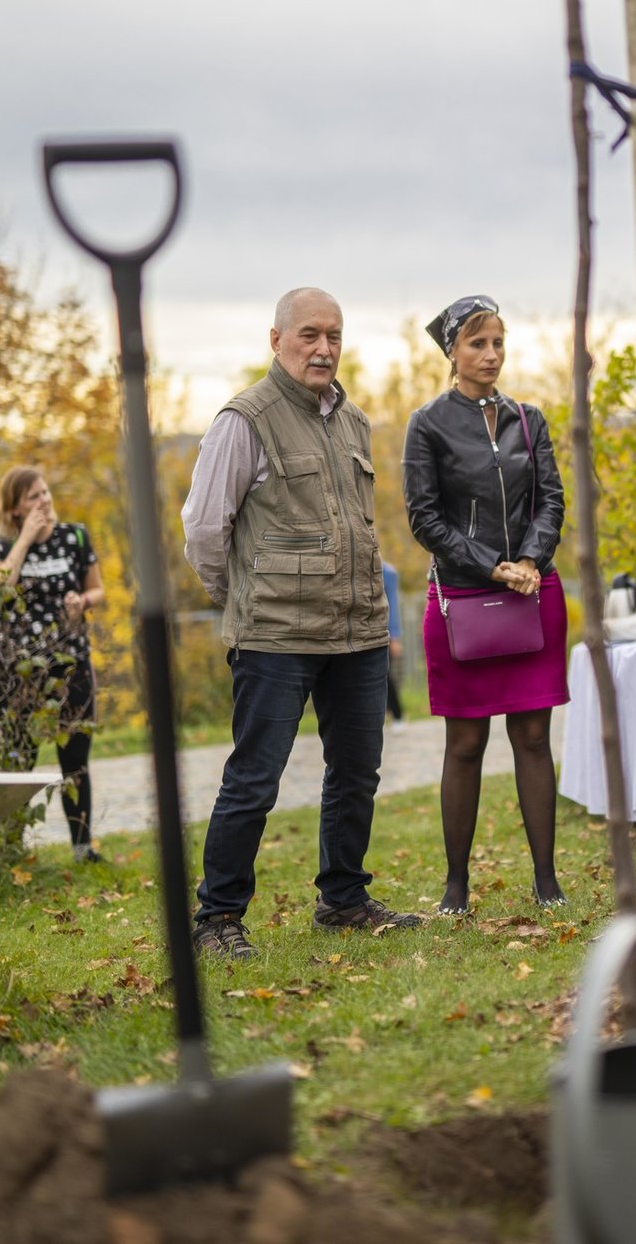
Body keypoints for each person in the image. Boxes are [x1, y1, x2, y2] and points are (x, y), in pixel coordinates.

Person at [182, 287, 420, 959]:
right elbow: (203, 527)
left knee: (357, 769)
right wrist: (241, 596)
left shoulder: (353, 420)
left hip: (358, 629)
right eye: (309, 333)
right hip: (275, 636)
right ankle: (217, 916)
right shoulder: (244, 419)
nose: (323, 348)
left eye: (334, 336)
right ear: (276, 338)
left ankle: (343, 897)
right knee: (255, 778)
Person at [402, 294, 569, 914]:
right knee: (465, 744)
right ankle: (455, 888)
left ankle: (546, 881)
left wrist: (529, 561)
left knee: (532, 738)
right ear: (452, 352)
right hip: (463, 598)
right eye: (477, 343)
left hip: (531, 590)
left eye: (498, 342)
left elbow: (551, 499)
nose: (491, 354)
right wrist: (488, 565)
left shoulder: (530, 418)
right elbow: (424, 517)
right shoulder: (428, 423)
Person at [0, 467, 106, 861]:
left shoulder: (75, 536)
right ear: (15, 508)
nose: (44, 501)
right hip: (16, 671)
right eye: (33, 497)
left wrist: (82, 603)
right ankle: (12, 848)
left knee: (75, 757)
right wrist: (25, 541)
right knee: (19, 758)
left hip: (69, 664)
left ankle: (82, 846)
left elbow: (96, 588)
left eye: (46, 492)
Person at [382, 560, 405, 724]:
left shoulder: (387, 572)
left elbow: (393, 605)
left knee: (384, 675)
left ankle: (397, 715)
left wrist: (394, 636)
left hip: (384, 634)